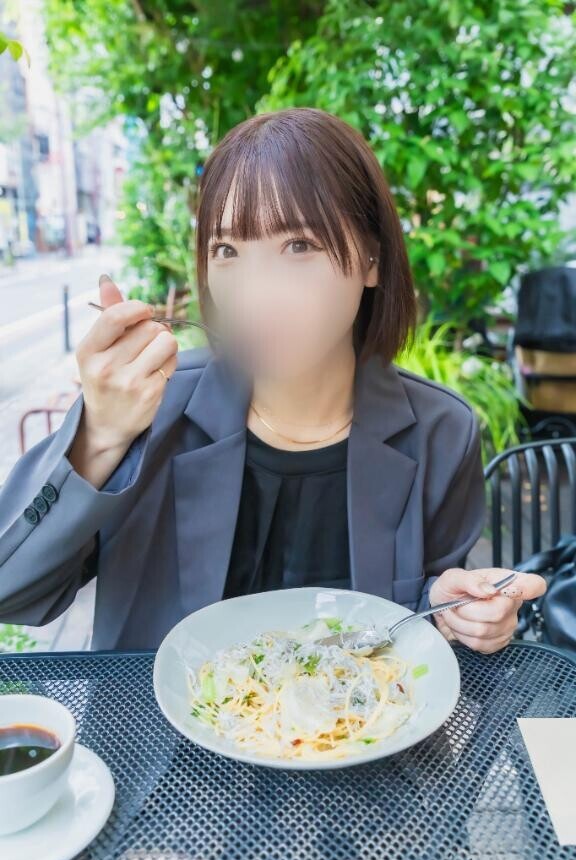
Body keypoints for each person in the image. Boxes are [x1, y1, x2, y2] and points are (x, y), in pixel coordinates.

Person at [0, 107, 545, 651]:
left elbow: (417, 613)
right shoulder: (148, 405)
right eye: (227, 251)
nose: (256, 296)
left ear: (372, 259)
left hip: (357, 709)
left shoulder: (440, 431)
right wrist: (101, 436)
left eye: (299, 245)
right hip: (150, 710)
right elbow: (11, 592)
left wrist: (452, 611)